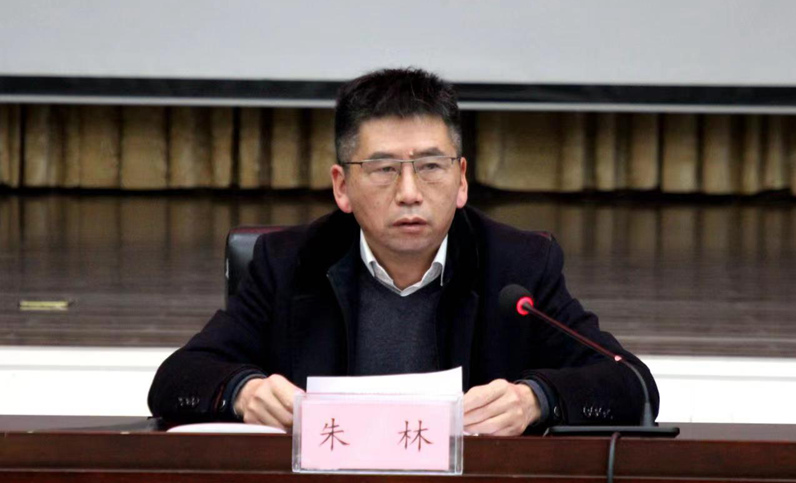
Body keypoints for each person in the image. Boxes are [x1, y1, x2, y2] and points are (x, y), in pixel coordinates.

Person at [148, 68, 659, 436]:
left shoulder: (518, 265)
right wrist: (243, 391)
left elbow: (631, 383)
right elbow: (176, 379)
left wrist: (536, 400)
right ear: (342, 186)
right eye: (384, 169)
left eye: (431, 167)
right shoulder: (289, 262)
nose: (410, 192)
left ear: (461, 180)